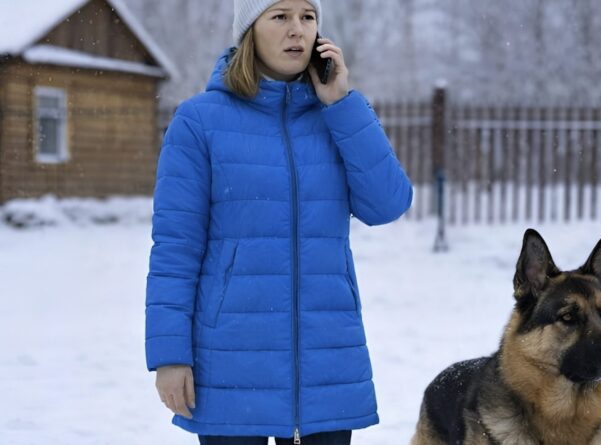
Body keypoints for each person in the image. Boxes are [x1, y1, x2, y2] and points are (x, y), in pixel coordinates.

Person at [143, 0, 413, 443]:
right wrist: (170, 355)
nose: (297, 30)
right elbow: (176, 249)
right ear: (250, 29)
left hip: (326, 363)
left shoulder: (338, 115)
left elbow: (388, 204)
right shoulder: (199, 122)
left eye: (308, 17)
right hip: (230, 363)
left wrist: (342, 104)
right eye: (280, 16)